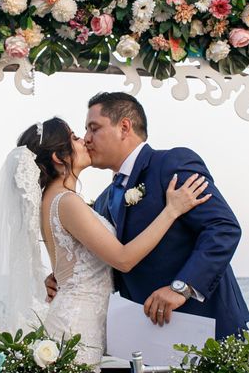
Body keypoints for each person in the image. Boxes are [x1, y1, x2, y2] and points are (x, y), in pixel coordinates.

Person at [46, 92, 249, 340]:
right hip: (148, 333)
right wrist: (64, 276)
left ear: (124, 127)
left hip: (206, 324)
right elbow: (109, 261)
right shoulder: (102, 201)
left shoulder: (172, 164)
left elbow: (223, 227)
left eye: (94, 128)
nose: (87, 139)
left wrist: (183, 287)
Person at [15, 117, 210, 370]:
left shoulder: (54, 201)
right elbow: (123, 259)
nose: (84, 140)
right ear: (57, 157)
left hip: (76, 317)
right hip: (78, 324)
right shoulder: (66, 202)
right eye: (74, 137)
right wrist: (172, 211)